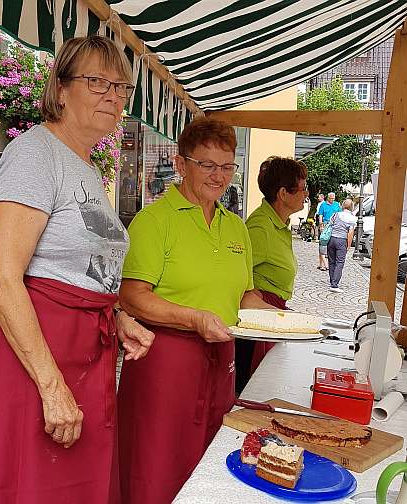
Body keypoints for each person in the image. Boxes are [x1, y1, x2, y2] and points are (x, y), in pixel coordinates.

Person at [0, 35, 154, 504]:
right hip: (38, 357)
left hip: (85, 349)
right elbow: (1, 278)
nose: (113, 95)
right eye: (97, 82)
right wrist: (51, 388)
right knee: (32, 486)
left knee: (78, 486)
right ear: (62, 88)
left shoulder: (87, 167)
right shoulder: (35, 155)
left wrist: (117, 317)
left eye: (121, 86)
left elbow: (76, 270)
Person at [116, 117, 273, 504]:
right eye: (207, 164)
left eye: (226, 166)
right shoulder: (154, 221)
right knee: (154, 466)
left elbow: (245, 297)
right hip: (164, 361)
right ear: (182, 163)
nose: (218, 176)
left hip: (221, 359)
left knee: (211, 457)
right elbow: (132, 296)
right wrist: (193, 318)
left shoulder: (236, 227)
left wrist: (286, 321)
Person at [236, 156, 308, 392]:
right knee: (255, 387)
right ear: (283, 194)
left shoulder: (278, 223)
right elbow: (236, 275)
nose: (306, 194)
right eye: (302, 188)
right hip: (258, 319)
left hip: (271, 313)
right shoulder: (260, 227)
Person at [327, 198, 357, 292]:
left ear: (343, 205)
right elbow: (350, 232)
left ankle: (332, 280)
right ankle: (334, 285)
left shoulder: (336, 214)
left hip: (331, 239)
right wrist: (348, 245)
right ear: (351, 207)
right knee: (339, 262)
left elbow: (330, 225)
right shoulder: (352, 218)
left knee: (331, 261)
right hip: (341, 240)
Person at [318, 192, 340, 270]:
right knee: (323, 242)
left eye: (333, 198)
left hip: (333, 225)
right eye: (331, 198)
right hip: (325, 224)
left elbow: (339, 215)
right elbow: (320, 215)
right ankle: (323, 264)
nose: (332, 200)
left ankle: (322, 264)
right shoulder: (323, 205)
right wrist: (321, 225)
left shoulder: (337, 204)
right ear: (328, 198)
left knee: (329, 243)